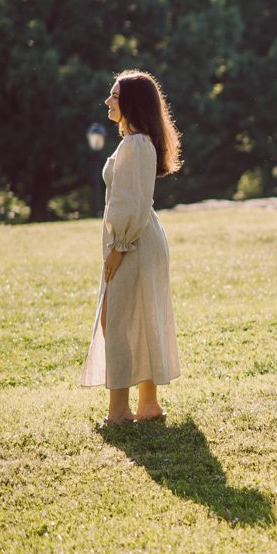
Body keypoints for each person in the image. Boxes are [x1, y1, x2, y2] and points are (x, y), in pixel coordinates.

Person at [80, 69, 182, 425]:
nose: (108, 101)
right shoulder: (137, 143)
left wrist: (119, 246)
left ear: (131, 104)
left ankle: (120, 411)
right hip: (141, 239)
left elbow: (131, 202)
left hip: (135, 242)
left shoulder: (136, 145)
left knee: (118, 320)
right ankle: (148, 405)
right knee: (135, 317)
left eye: (115, 95)